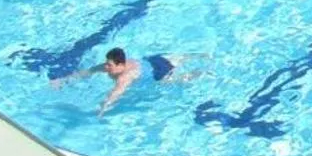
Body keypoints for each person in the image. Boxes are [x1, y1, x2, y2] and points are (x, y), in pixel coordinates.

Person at [54, 47, 202, 114]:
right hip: (154, 60)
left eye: (110, 65)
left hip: (159, 73)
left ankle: (200, 73)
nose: (106, 67)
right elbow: (89, 71)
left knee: (178, 80)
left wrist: (102, 109)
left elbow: (116, 93)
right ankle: (199, 56)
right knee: (179, 59)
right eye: (106, 63)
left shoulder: (125, 76)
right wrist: (63, 80)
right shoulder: (112, 66)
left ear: (121, 65)